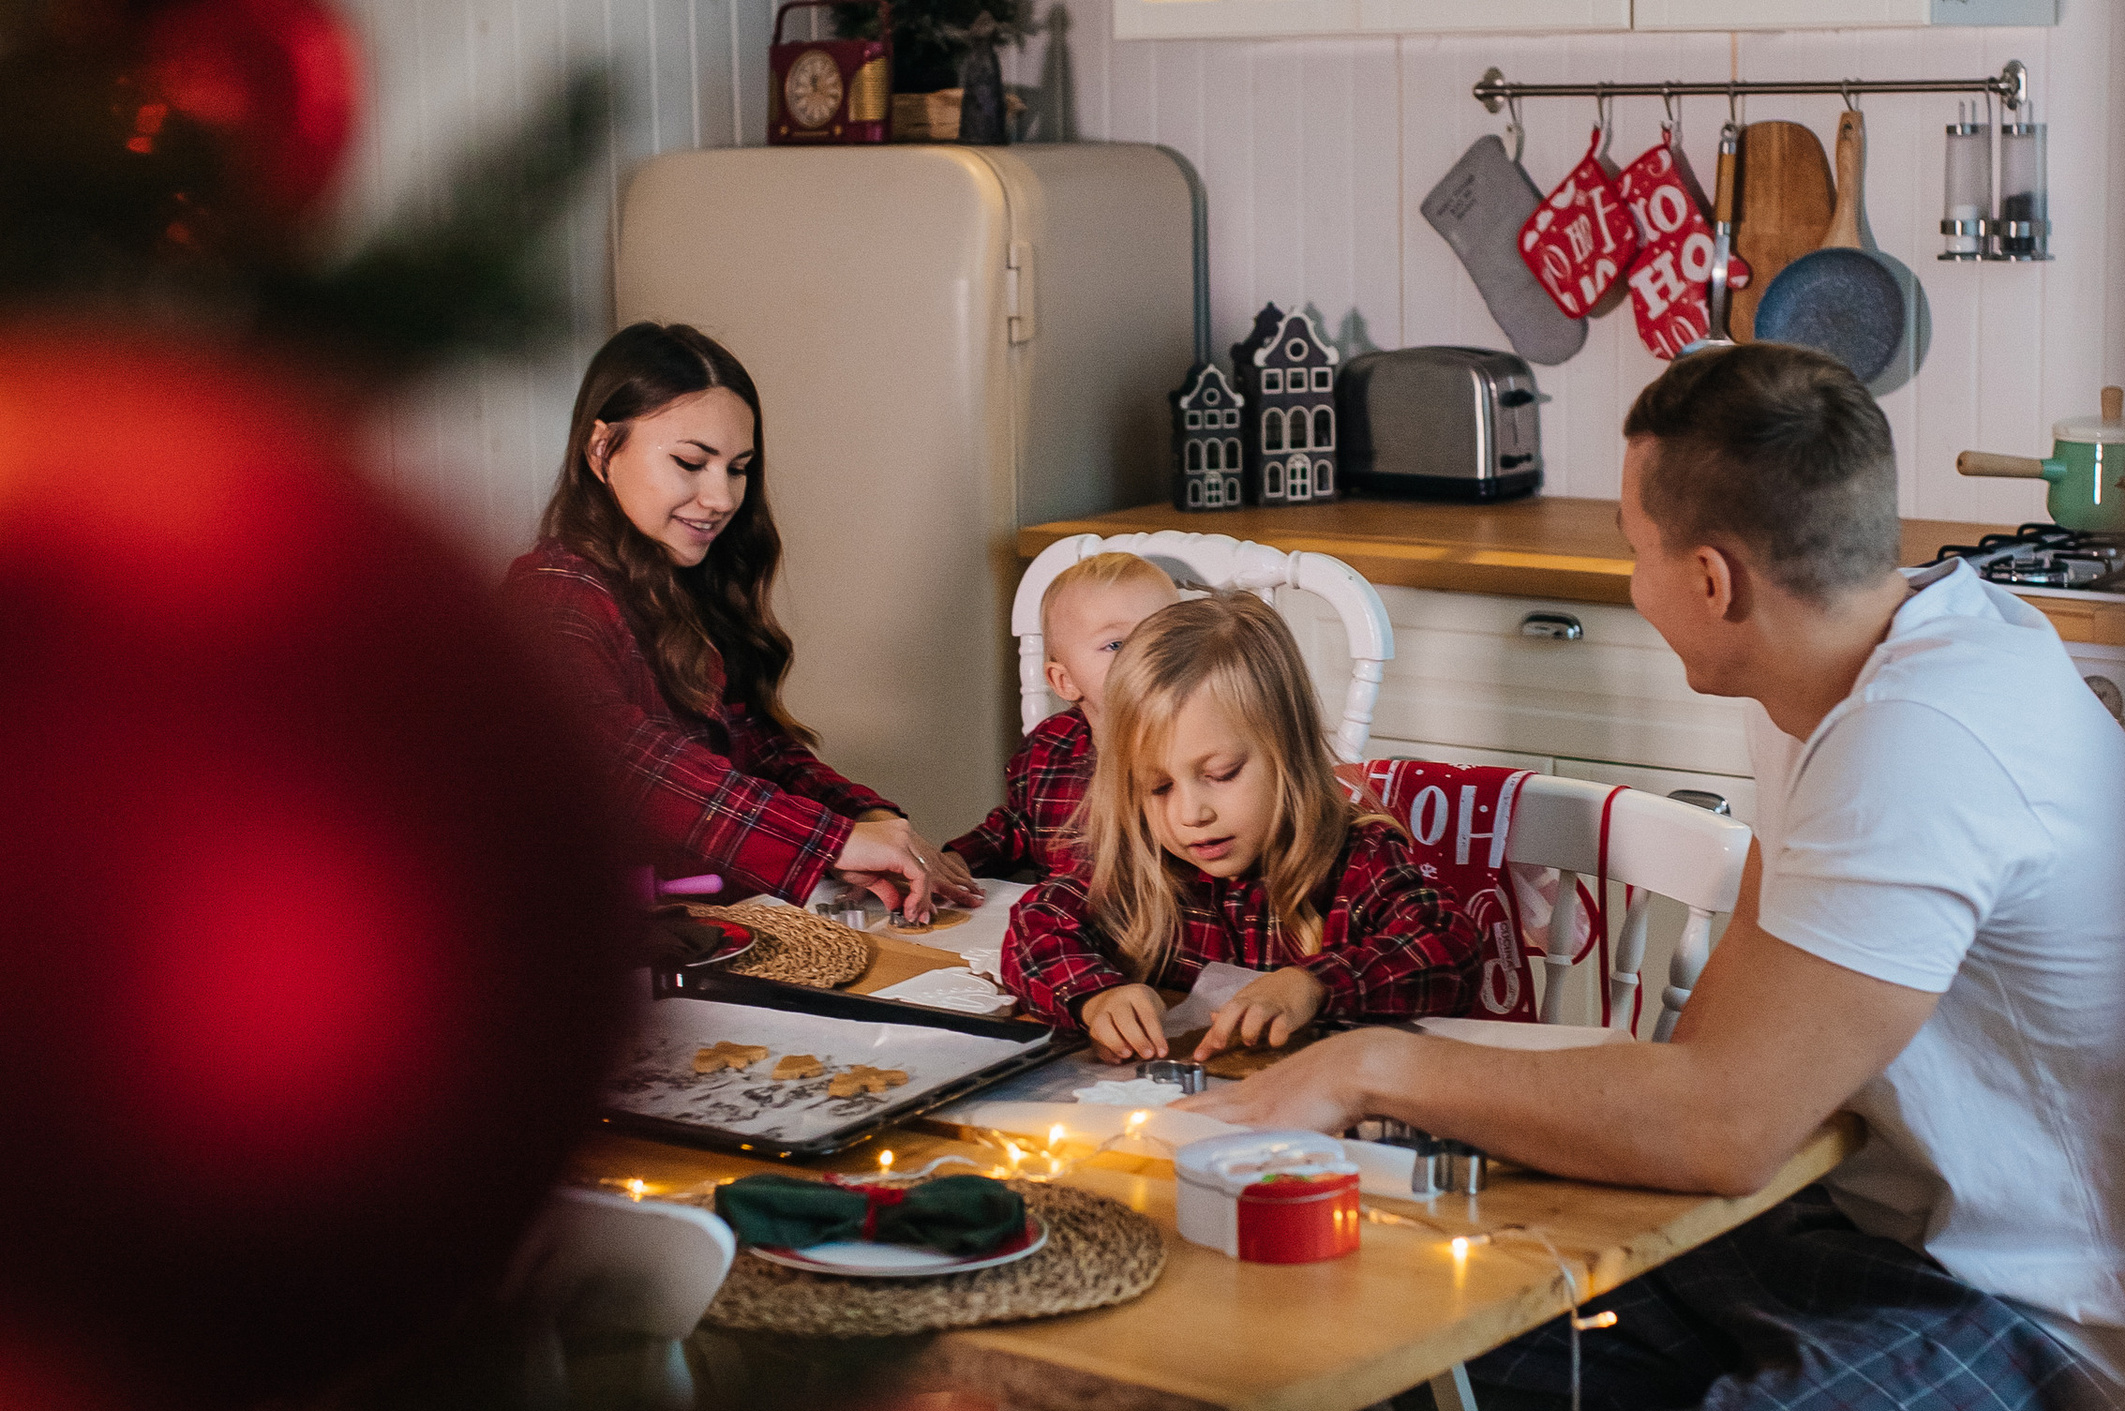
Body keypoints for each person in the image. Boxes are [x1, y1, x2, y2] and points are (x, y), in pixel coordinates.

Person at [1215, 345, 2125, 1411]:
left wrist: (1371, 1063)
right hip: (1922, 1242)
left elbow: (1721, 1124)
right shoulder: (1883, 658)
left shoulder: (1926, 734)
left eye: (1637, 549)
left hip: (2087, 1339)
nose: (1631, 577)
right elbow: (1723, 1057)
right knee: (1475, 1352)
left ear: (1710, 580)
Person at [508, 321, 976, 923]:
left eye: (737, 468)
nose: (723, 498)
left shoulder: (676, 585)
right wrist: (829, 842)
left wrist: (866, 818)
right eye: (690, 462)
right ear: (601, 451)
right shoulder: (554, 594)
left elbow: (757, 745)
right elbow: (624, 758)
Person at [1002, 591, 1487, 1060]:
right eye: (1159, 787)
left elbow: (1450, 945)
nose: (1192, 814)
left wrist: (1313, 983)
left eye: (1221, 774)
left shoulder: (1357, 858)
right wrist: (1096, 996)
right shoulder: (1139, 858)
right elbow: (1036, 925)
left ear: (1289, 753)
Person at [952, 551, 1177, 880]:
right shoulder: (1047, 747)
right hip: (1061, 923)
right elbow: (1020, 826)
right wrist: (957, 861)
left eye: (1163, 636)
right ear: (1065, 681)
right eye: (1115, 645)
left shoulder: (1196, 747)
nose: (1146, 654)